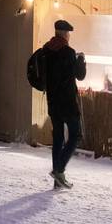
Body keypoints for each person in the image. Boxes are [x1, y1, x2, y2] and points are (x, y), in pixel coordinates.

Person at [41, 19, 86, 190]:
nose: (69, 36)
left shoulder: (46, 50)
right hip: (67, 102)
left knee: (58, 138)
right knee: (75, 135)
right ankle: (59, 170)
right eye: (68, 33)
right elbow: (80, 75)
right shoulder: (68, 52)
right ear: (64, 34)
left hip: (52, 101)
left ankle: (57, 181)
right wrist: (81, 59)